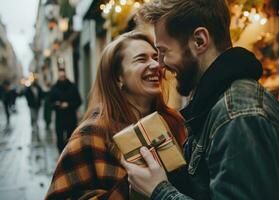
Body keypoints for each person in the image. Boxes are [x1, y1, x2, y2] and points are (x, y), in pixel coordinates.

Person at [121, 1, 279, 200]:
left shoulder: (239, 116)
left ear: (199, 41)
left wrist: (159, 190)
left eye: (164, 51)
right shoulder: (214, 106)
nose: (160, 64)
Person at [45, 31, 186, 200]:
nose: (156, 65)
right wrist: (132, 191)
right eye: (141, 59)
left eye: (155, 58)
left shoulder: (173, 121)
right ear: (118, 77)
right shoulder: (92, 134)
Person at [49, 68, 82, 153]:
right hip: (59, 118)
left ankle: (70, 154)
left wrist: (69, 105)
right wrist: (57, 105)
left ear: (66, 75)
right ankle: (62, 155)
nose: (62, 77)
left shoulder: (72, 87)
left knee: (71, 139)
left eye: (63, 76)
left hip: (71, 117)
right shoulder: (54, 88)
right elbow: (50, 103)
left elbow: (79, 101)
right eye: (60, 76)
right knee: (60, 139)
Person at [24, 78, 44, 142]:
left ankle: (35, 124)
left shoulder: (38, 88)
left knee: (36, 117)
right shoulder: (28, 89)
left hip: (37, 106)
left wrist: (40, 102)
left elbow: (41, 95)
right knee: (33, 116)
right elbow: (26, 96)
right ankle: (34, 125)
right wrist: (29, 103)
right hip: (32, 106)